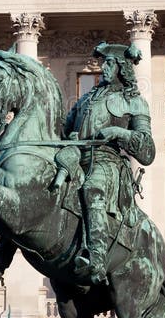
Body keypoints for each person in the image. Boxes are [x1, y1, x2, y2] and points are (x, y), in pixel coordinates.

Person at [64, 42, 155, 284]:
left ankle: (97, 259)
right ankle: (1, 257)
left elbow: (147, 150)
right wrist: (69, 137)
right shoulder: (85, 100)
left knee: (92, 189)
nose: (104, 68)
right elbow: (63, 131)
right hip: (77, 158)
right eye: (103, 63)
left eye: (110, 63)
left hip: (109, 164)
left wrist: (119, 132)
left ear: (121, 67)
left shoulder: (134, 102)